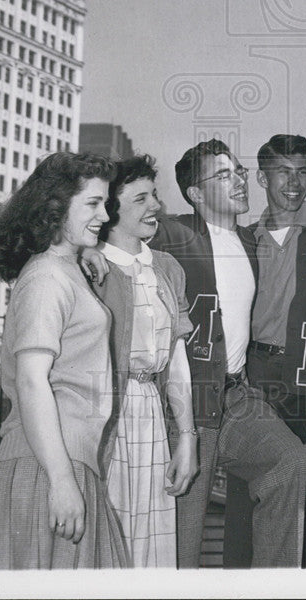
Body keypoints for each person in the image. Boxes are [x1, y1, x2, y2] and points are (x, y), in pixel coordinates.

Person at [150, 138, 306, 568]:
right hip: (190, 399)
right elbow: (122, 226)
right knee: (185, 528)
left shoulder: (249, 240)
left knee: (289, 461)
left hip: (237, 395)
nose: (239, 180)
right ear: (196, 194)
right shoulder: (176, 234)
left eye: (239, 170)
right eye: (224, 175)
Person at [0, 152, 128, 570]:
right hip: (45, 466)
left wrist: (84, 253)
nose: (105, 214)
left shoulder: (63, 268)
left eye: (107, 203)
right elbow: (31, 382)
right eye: (93, 203)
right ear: (56, 208)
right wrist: (61, 481)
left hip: (61, 461)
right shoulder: (46, 276)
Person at [223, 133, 306, 567]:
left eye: (302, 171)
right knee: (256, 487)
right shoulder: (243, 239)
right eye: (283, 172)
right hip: (256, 377)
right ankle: (249, 582)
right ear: (262, 177)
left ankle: (286, 563)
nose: (294, 182)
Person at [91, 154, 198, 567]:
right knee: (109, 541)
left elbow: (177, 362)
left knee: (151, 548)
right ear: (110, 210)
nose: (155, 205)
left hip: (150, 412)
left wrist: (186, 438)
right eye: (140, 199)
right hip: (104, 418)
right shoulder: (88, 267)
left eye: (154, 195)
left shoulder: (168, 267)